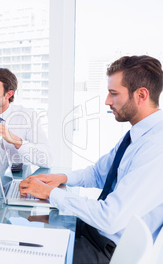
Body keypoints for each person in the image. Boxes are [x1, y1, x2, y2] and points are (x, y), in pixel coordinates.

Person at [19, 55, 163, 263]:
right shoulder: (138, 133)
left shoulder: (156, 146)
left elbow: (110, 218)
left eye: (114, 93)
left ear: (141, 95)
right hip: (94, 231)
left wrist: (51, 194)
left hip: (106, 249)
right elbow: (98, 173)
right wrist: (60, 178)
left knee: (28, 254)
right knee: (24, 230)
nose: (107, 101)